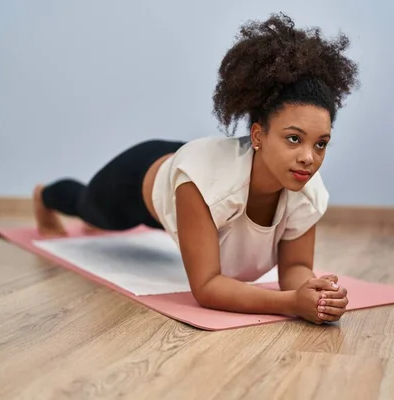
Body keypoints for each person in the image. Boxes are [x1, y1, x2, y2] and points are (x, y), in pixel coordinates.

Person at [32, 13, 359, 325]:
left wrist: (314, 294)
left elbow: (297, 267)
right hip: (138, 179)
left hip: (200, 167)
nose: (308, 157)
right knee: (87, 207)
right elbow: (207, 286)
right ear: (258, 134)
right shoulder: (203, 186)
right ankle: (44, 196)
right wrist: (289, 304)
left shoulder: (308, 193)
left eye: (321, 143)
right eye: (293, 139)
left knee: (189, 223)